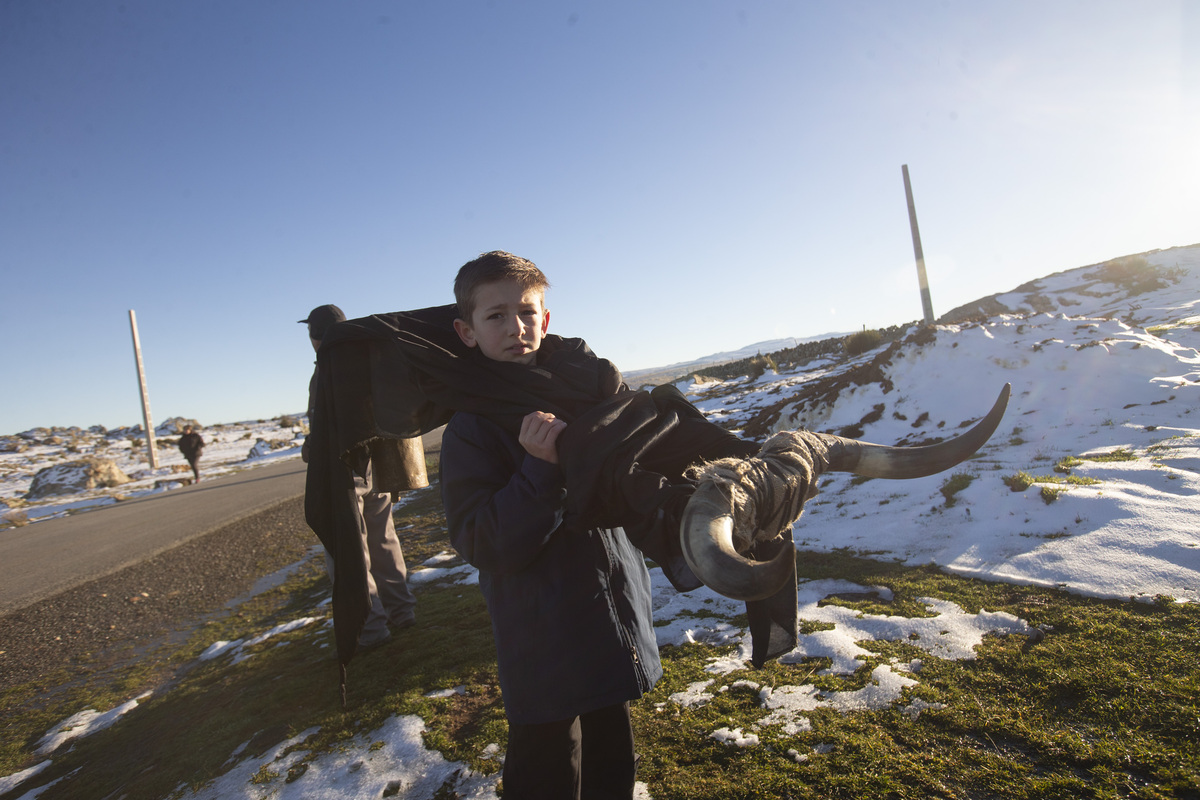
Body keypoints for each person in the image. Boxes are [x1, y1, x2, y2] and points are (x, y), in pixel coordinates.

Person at [439, 252, 779, 799]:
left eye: (526, 313)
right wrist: (538, 470)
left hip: (610, 608)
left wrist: (742, 466)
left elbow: (660, 449)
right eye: (495, 316)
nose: (516, 328)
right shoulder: (471, 427)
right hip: (542, 630)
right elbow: (483, 541)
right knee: (547, 766)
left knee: (610, 761)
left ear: (545, 319)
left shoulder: (593, 388)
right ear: (467, 331)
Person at [300, 304, 417, 649]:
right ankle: (402, 611)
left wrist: (310, 449)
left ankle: (370, 628)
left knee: (348, 549)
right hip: (377, 465)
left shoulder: (327, 367)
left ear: (315, 337)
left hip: (343, 472)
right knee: (383, 540)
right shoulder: (370, 357)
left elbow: (326, 429)